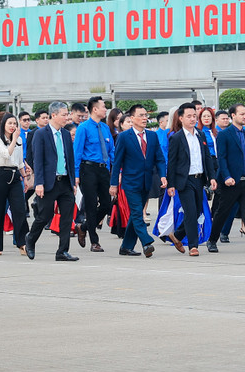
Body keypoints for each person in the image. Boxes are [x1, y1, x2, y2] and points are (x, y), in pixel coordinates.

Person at [207, 104, 245, 254]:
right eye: (242, 114)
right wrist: (227, 176)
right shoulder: (224, 135)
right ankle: (212, 240)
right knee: (223, 212)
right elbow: (222, 158)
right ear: (233, 116)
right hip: (230, 181)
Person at [24, 102, 79, 261]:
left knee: (67, 217)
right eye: (64, 114)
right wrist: (39, 183)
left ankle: (62, 251)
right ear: (53, 115)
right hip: (49, 183)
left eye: (67, 114)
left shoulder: (66, 135)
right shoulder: (41, 134)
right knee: (44, 215)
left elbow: (70, 159)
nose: (67, 117)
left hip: (65, 182)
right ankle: (31, 239)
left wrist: (73, 182)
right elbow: (38, 160)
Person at [110, 104, 166, 257]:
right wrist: (114, 183)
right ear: (132, 118)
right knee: (136, 212)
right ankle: (146, 242)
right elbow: (117, 162)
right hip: (130, 182)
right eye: (141, 115)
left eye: (146, 115)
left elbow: (159, 158)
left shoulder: (152, 136)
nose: (144, 118)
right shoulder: (124, 137)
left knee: (135, 215)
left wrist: (163, 175)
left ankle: (126, 247)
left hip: (146, 182)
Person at [165, 102, 217, 256]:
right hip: (184, 181)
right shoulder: (176, 138)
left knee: (197, 211)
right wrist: (171, 184)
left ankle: (178, 235)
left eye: (194, 116)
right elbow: (172, 163)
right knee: (190, 212)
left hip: (199, 179)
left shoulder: (201, 134)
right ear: (181, 118)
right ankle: (193, 246)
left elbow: (207, 157)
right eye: (189, 116)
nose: (193, 119)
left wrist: (212, 177)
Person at [73, 96, 115, 253]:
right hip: (88, 169)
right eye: (103, 107)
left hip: (104, 170)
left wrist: (115, 169)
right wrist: (76, 175)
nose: (105, 109)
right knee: (90, 205)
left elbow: (112, 151)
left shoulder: (104, 128)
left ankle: (83, 227)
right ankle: (94, 241)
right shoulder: (83, 128)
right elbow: (77, 153)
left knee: (106, 203)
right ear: (95, 109)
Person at [0, 113, 30, 255]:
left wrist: (24, 177)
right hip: (0, 175)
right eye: (10, 123)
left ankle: (23, 243)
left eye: (14, 124)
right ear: (3, 125)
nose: (12, 126)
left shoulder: (19, 141)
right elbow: (6, 154)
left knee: (19, 210)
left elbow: (19, 162)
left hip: (15, 176)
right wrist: (14, 140)